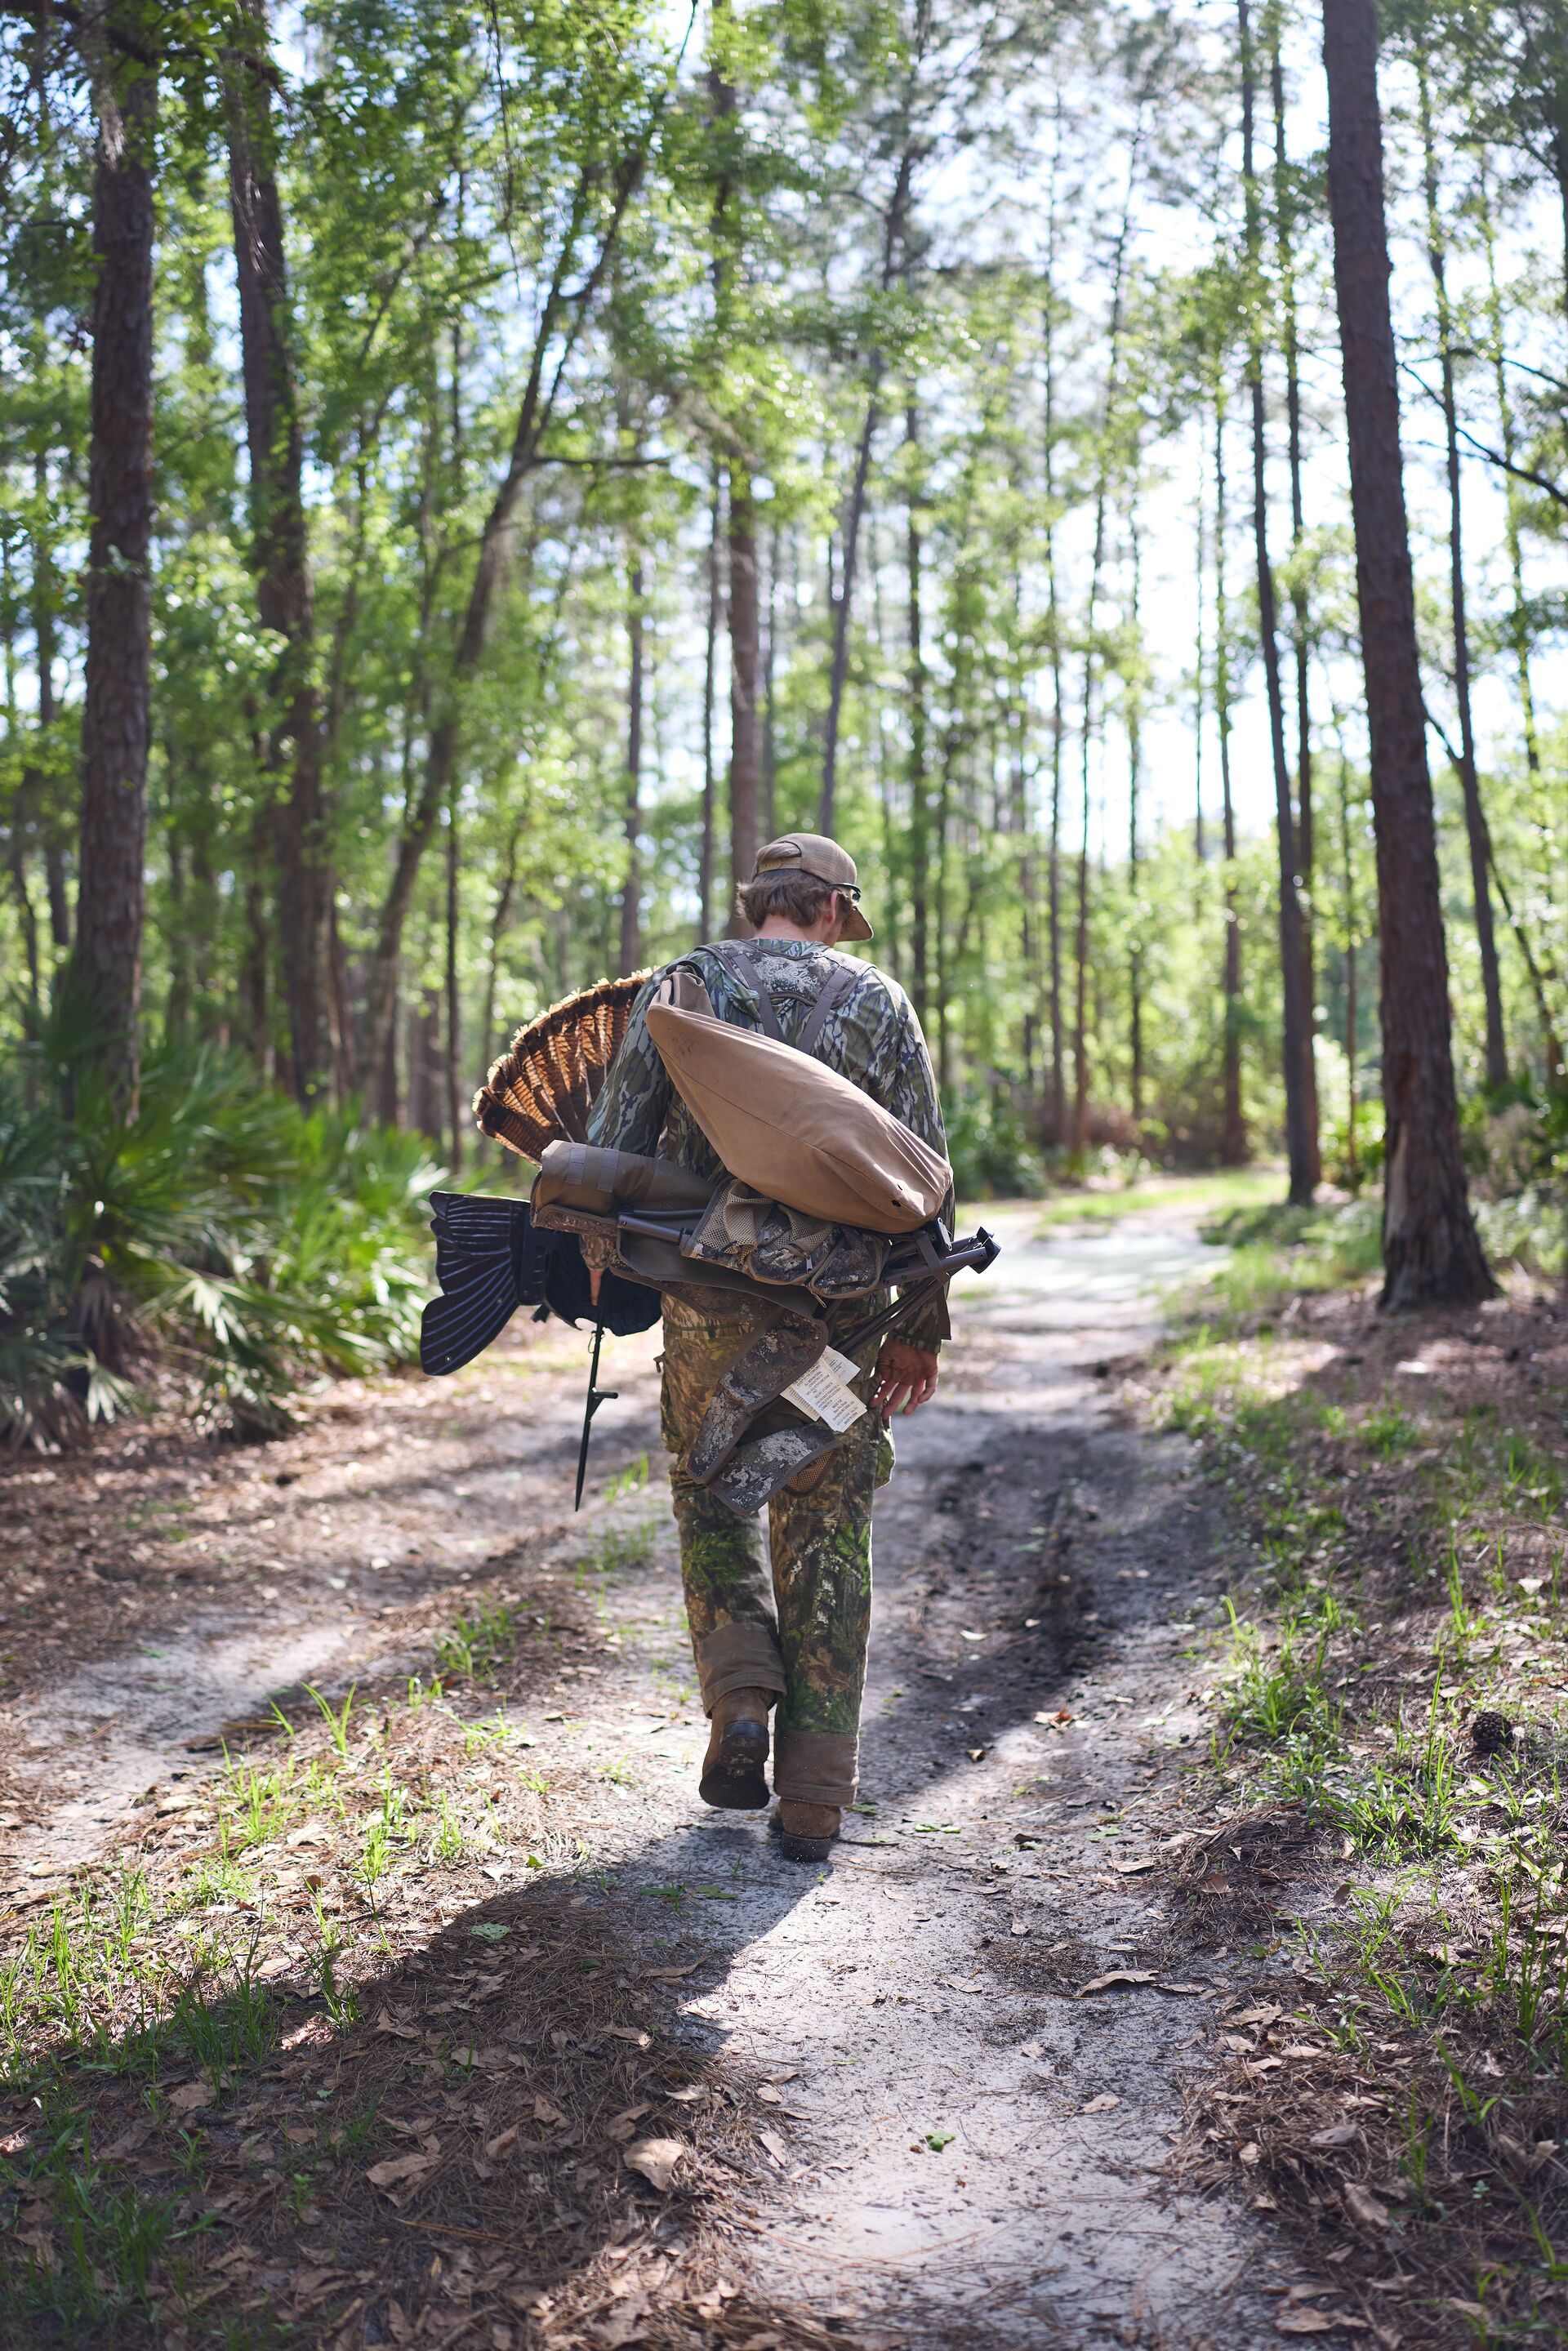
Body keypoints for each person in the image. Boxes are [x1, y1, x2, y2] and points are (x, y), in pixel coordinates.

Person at [585, 833, 949, 1861]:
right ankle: (816, 1799)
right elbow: (926, 1179)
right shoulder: (879, 1003)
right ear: (831, 908)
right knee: (827, 1524)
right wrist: (920, 1328)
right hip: (841, 1322)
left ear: (760, 906)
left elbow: (614, 1145)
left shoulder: (684, 984)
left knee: (711, 1492)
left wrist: (606, 1265)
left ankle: (743, 1696)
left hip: (710, 1311)